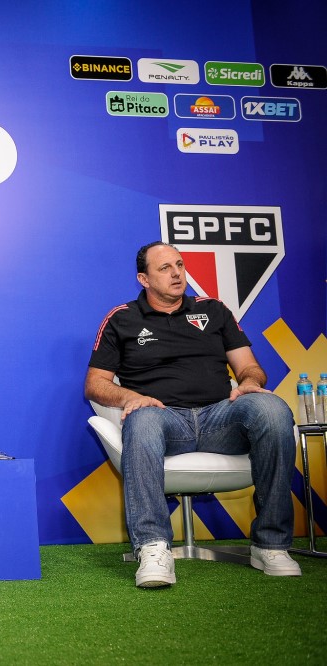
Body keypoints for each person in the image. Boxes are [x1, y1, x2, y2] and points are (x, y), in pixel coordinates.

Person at [85, 241, 300, 588]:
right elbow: (95, 384)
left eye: (180, 265)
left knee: (273, 410)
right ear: (144, 279)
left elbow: (249, 367)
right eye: (165, 268)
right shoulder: (122, 318)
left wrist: (249, 382)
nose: (176, 274)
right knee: (142, 418)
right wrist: (131, 397)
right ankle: (153, 547)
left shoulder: (213, 310)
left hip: (221, 416)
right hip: (164, 417)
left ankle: (270, 545)